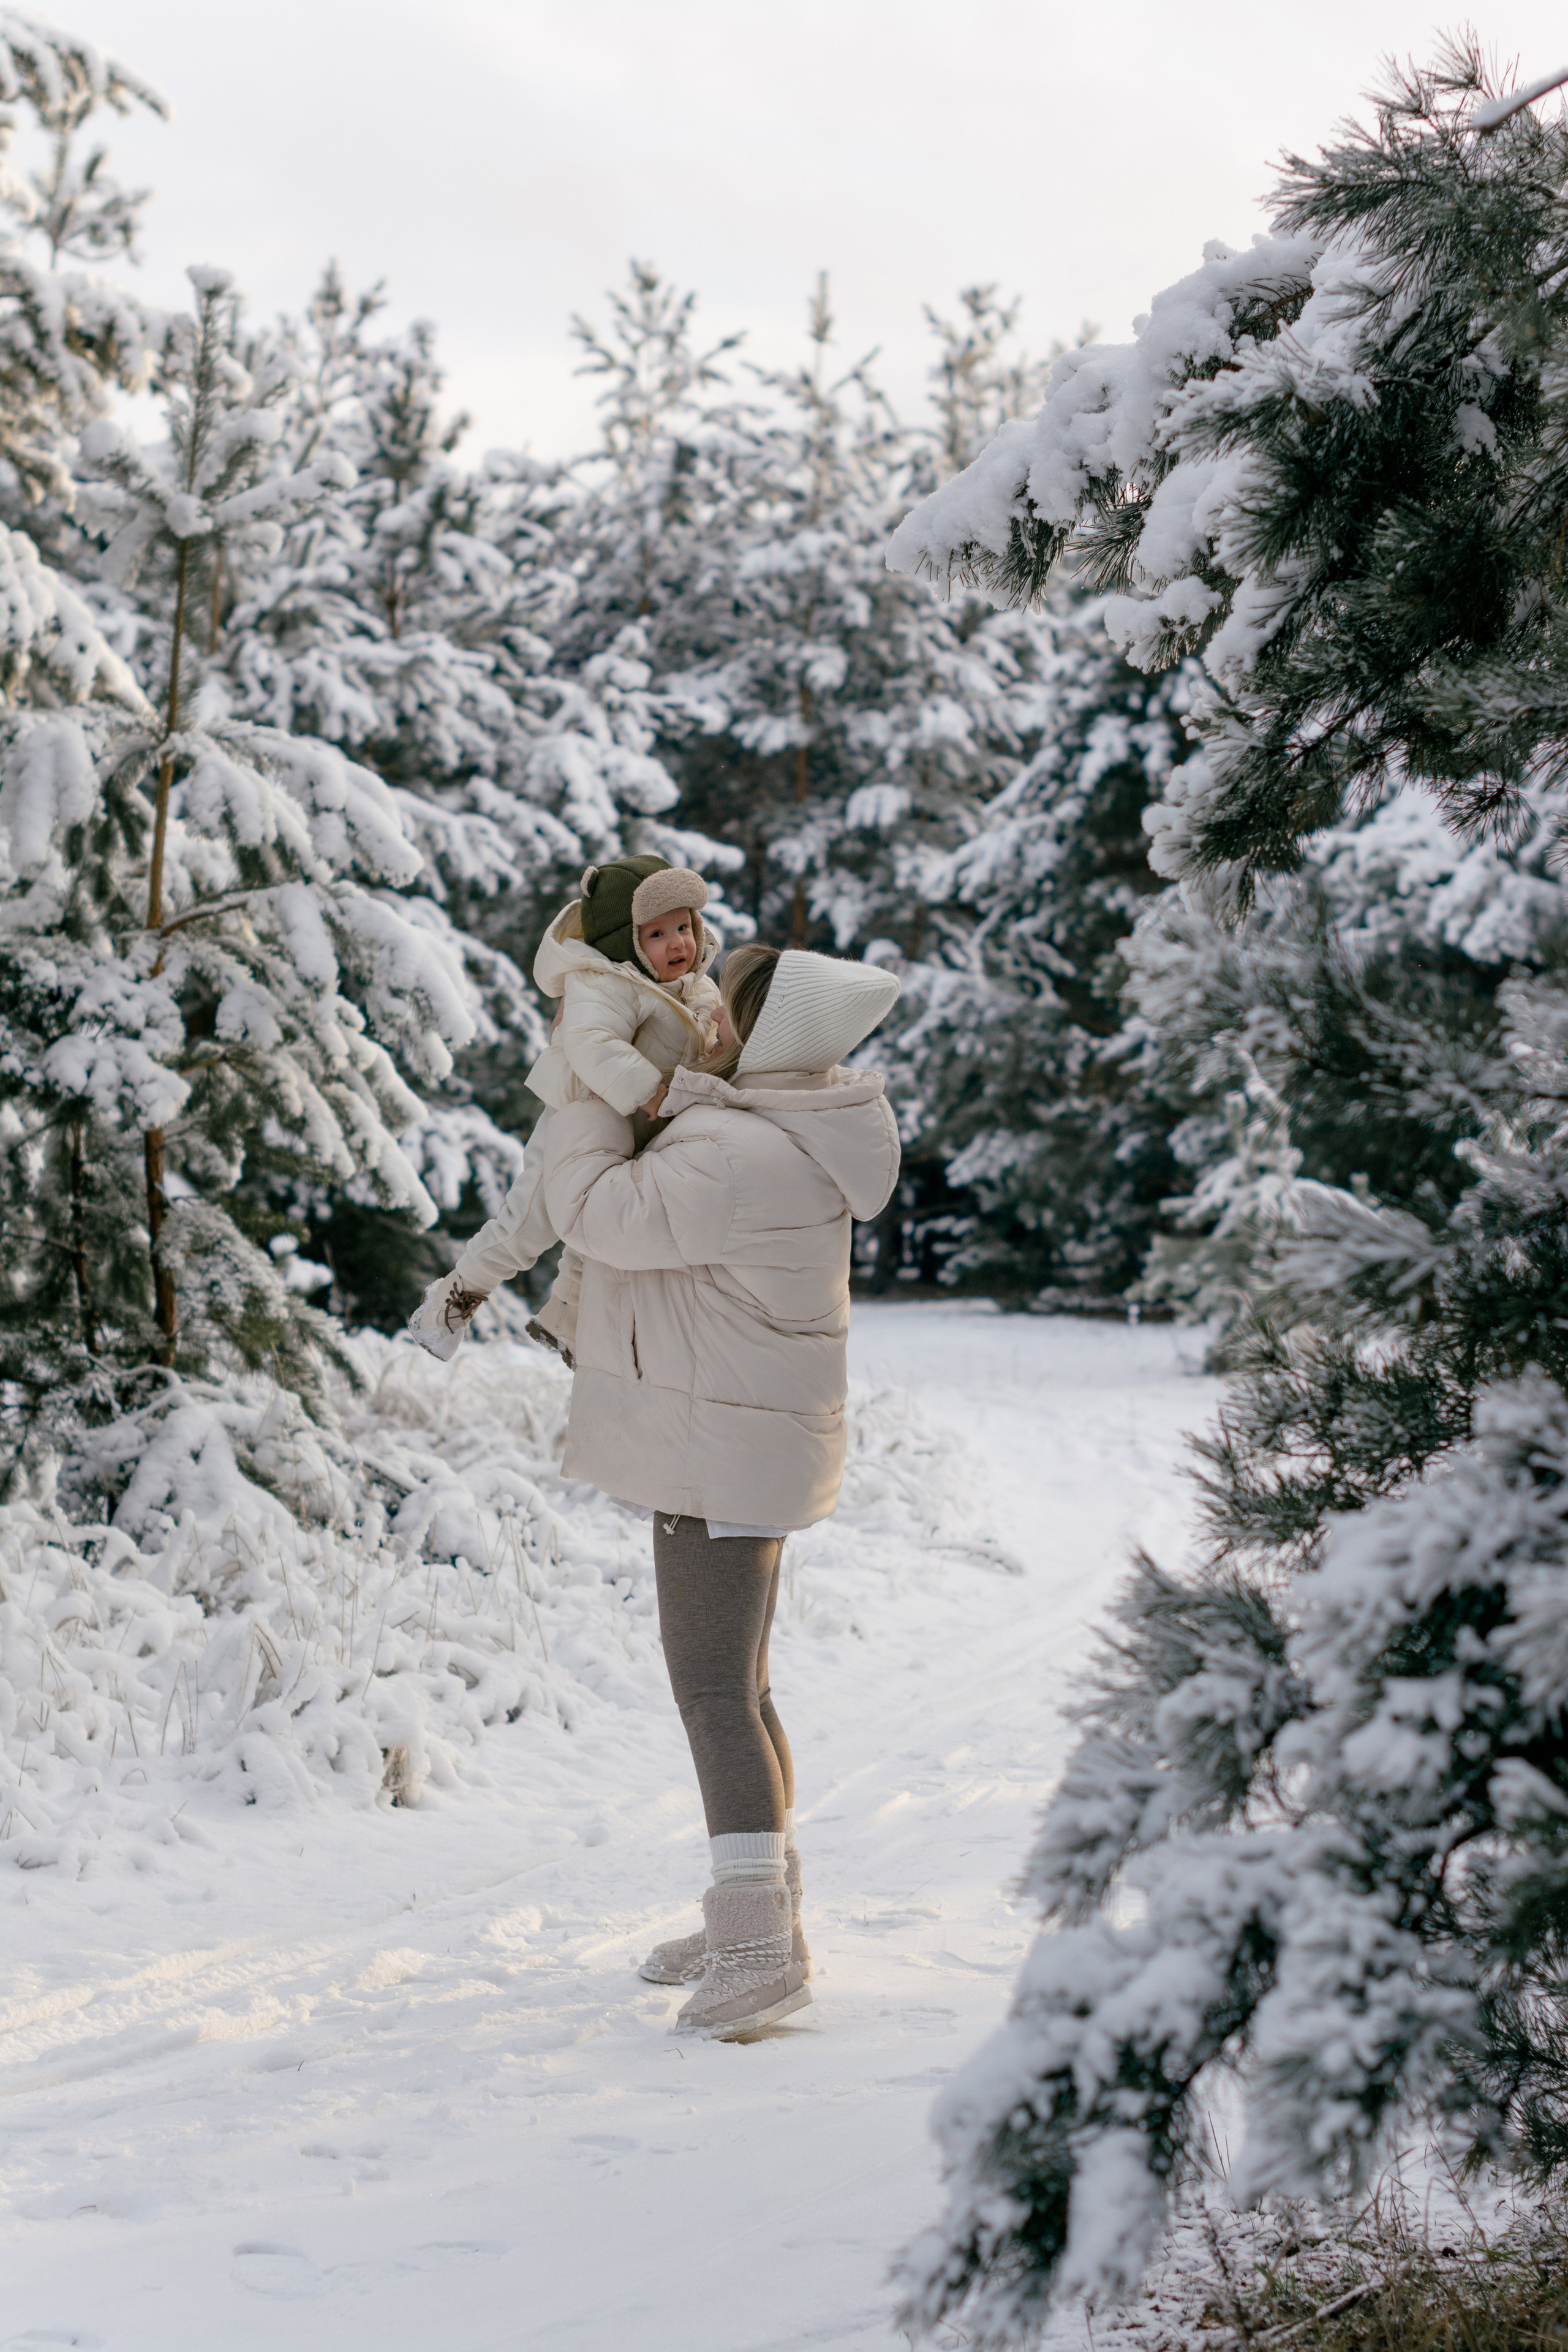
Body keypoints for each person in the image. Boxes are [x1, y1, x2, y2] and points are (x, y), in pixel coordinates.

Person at [538, 941, 901, 2039]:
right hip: (753, 1439)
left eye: (725, 1017)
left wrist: (582, 1091)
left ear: (765, 1035)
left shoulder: (734, 1152)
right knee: (744, 1687)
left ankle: (756, 1953)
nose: (707, 1028)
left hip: (723, 1446)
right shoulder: (796, 1129)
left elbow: (592, 1211)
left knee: (712, 1694)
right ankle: (762, 1919)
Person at [404, 856, 722, 1365]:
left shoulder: (697, 988)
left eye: (683, 927)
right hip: (578, 1124)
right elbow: (591, 1041)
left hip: (638, 1132)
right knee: (528, 1225)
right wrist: (651, 1091)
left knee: (597, 1229)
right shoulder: (607, 982)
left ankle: (567, 1320)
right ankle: (447, 1305)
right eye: (657, 934)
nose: (678, 944)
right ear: (625, 941)